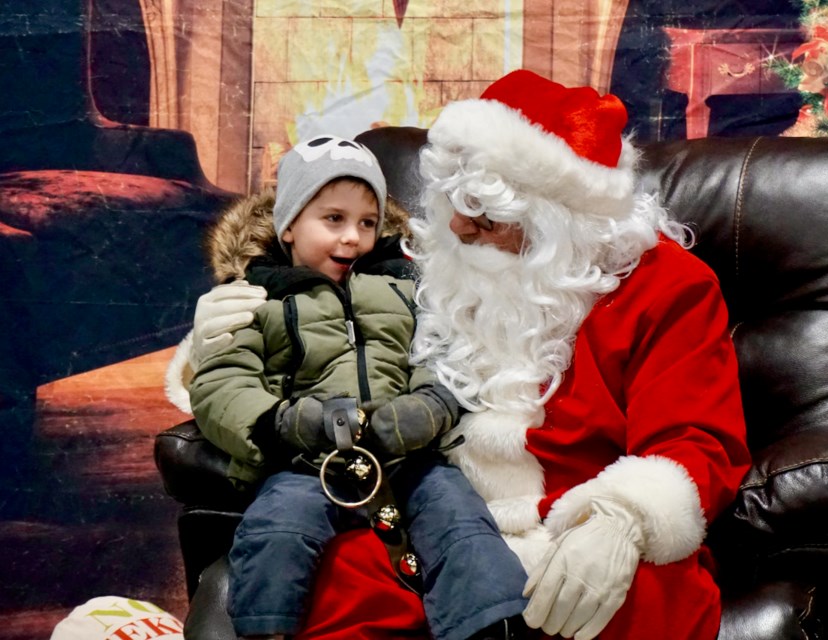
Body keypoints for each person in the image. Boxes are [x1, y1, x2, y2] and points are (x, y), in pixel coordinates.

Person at [173, 70, 752, 640]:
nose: (455, 225)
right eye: (453, 198)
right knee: (338, 577)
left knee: (646, 597)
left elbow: (696, 437)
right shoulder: (438, 261)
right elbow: (323, 313)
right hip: (426, 514)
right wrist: (219, 330)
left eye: (486, 213)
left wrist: (623, 520)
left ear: (560, 224)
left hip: (571, 524)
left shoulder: (668, 288)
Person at [186, 134, 529, 640]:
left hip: (406, 457)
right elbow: (221, 383)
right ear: (288, 228)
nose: (353, 238)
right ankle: (264, 630)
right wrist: (282, 423)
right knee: (276, 530)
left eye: (367, 223)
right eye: (333, 220)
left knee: (462, 524)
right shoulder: (257, 299)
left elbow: (439, 355)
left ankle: (493, 627)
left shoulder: (404, 288)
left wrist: (429, 406)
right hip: (307, 461)